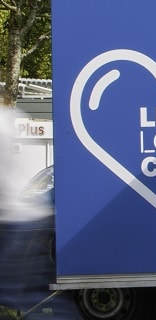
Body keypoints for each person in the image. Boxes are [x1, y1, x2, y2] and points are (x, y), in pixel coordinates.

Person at [0, 106, 79, 320]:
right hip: (28, 217)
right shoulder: (10, 116)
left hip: (13, 222)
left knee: (25, 294)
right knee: (29, 294)